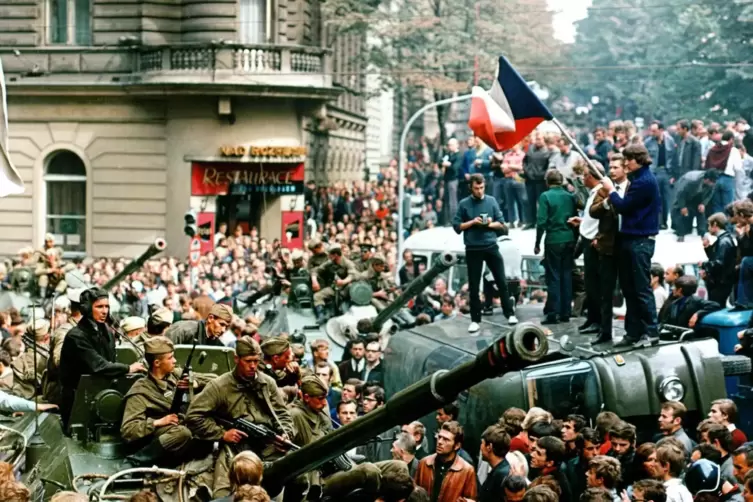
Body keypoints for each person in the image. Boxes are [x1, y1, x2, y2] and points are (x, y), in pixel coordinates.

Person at [185, 336, 295, 498]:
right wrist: (222, 434)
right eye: (248, 361)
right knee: (222, 494)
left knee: (295, 478)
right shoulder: (219, 386)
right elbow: (193, 416)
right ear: (236, 358)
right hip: (235, 447)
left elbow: (282, 414)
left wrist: (286, 434)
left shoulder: (268, 383)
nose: (253, 366)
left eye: (256, 361)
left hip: (268, 445)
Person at [599, 144, 661, 348]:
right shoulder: (639, 179)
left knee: (641, 288)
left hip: (640, 240)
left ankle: (651, 332)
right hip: (631, 238)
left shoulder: (644, 182)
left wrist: (610, 191)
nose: (625, 164)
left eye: (628, 160)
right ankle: (633, 332)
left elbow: (624, 207)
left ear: (638, 160)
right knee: (629, 288)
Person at [120, 336, 212, 465]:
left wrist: (195, 383)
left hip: (180, 424)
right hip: (158, 437)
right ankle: (135, 461)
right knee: (182, 433)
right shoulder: (141, 391)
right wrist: (158, 422)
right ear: (157, 363)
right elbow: (129, 430)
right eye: (170, 358)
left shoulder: (176, 374)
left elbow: (215, 380)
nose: (175, 361)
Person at [60, 287, 145, 425]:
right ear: (87, 309)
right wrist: (128, 368)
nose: (105, 311)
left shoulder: (105, 330)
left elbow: (110, 360)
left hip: (102, 393)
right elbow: (98, 365)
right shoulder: (76, 336)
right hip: (78, 400)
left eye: (107, 306)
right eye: (99, 307)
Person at [452, 173, 518, 333]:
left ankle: (509, 313)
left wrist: (490, 224)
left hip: (490, 246)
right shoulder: (464, 204)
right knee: (474, 286)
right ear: (471, 188)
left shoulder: (491, 201)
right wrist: (472, 222)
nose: (480, 191)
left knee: (502, 281)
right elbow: (456, 226)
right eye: (476, 188)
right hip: (473, 248)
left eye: (482, 188)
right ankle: (475, 319)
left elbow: (502, 225)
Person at [534, 169, 578, 325]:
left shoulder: (545, 196)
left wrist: (537, 243)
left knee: (553, 277)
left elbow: (541, 222)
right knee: (566, 275)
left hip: (553, 240)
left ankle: (553, 313)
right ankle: (566, 312)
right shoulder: (569, 196)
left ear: (547, 182)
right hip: (569, 239)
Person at [702, 213, 738, 306]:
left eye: (709, 225)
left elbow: (719, 263)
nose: (708, 228)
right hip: (722, 281)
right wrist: (707, 248)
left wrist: (704, 264)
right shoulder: (723, 240)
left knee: (715, 305)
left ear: (714, 224)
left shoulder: (723, 241)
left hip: (721, 282)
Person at [165, 303, 232, 346]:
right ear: (210, 318)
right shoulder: (184, 330)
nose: (223, 330)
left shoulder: (218, 346)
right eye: (221, 324)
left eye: (226, 327)